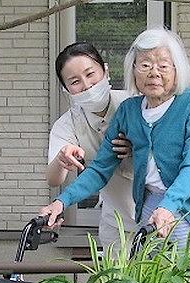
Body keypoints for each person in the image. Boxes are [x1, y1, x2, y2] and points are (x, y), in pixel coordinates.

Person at [40, 29, 190, 255]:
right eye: (145, 65)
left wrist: (168, 207)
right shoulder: (129, 110)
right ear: (133, 70)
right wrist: (61, 202)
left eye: (163, 65)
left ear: (177, 69)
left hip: (189, 208)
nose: (154, 73)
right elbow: (100, 168)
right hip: (147, 208)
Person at [47, 42, 137, 248]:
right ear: (66, 89)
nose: (86, 85)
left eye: (90, 74)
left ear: (105, 70)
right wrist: (62, 159)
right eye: (75, 81)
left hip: (160, 218)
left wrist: (137, 147)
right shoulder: (67, 124)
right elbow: (54, 179)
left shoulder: (133, 104)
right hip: (117, 222)